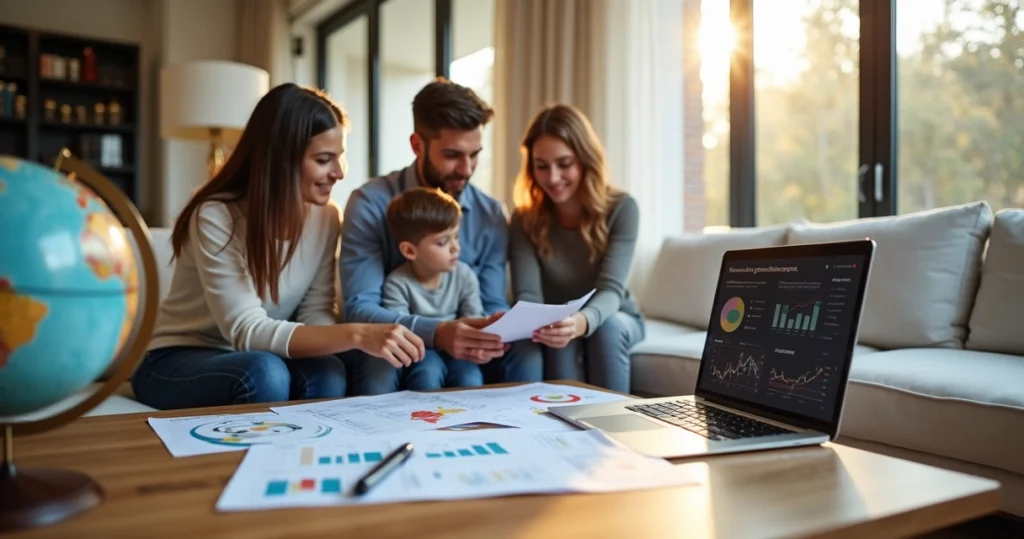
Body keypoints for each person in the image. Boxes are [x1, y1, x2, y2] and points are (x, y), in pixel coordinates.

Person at [132, 83, 424, 410]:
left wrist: (358, 345)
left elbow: (314, 312)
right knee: (264, 373)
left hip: (256, 355)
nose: (339, 173)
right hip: (176, 360)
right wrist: (357, 334)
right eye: (324, 159)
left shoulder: (326, 218)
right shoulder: (216, 216)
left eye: (339, 158)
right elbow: (246, 330)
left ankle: (309, 455)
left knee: (328, 371)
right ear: (280, 160)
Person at [341, 78, 543, 395]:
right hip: (393, 341)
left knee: (526, 351)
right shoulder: (370, 203)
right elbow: (360, 308)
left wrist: (491, 328)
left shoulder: (490, 213)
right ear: (417, 145)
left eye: (474, 154)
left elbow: (490, 300)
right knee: (381, 360)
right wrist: (439, 332)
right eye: (452, 155)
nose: (466, 169)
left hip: (466, 341)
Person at [508, 103, 645, 393]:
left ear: (585, 159)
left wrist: (582, 321)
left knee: (606, 330)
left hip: (613, 316)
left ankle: (616, 426)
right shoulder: (524, 219)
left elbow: (611, 290)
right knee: (555, 338)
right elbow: (529, 296)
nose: (553, 177)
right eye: (541, 166)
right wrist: (556, 324)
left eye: (564, 163)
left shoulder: (622, 208)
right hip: (556, 321)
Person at [379, 187, 486, 389]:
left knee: (470, 377)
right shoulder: (397, 283)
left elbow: (474, 320)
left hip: (459, 352)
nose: (456, 247)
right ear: (410, 250)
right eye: (443, 242)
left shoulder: (464, 275)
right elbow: (400, 335)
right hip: (420, 352)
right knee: (428, 370)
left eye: (456, 236)